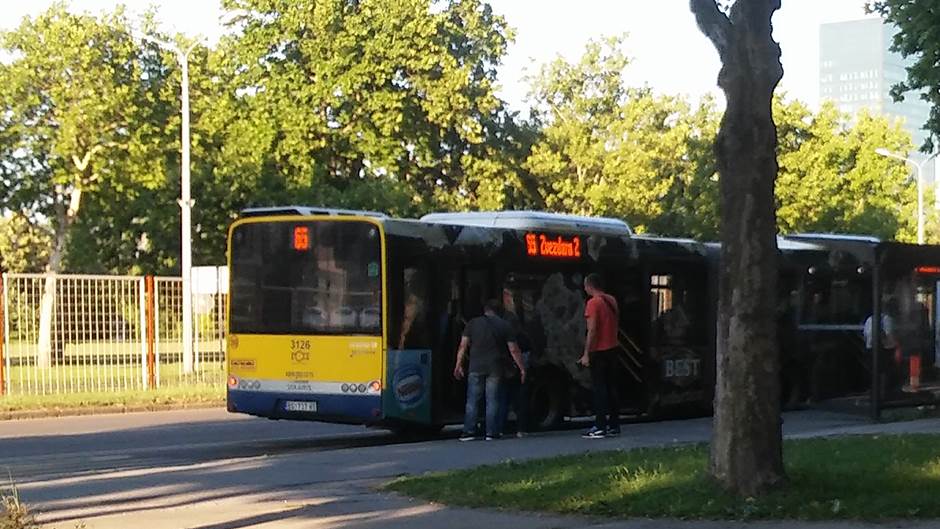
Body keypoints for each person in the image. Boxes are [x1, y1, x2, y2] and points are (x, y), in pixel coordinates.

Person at [454, 298, 526, 441]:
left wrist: (458, 364)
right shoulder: (505, 326)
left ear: (485, 310)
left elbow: (463, 345)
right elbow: (514, 349)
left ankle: (469, 432)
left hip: (475, 366)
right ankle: (491, 432)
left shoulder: (472, 323)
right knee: (492, 400)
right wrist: (521, 368)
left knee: (472, 400)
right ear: (499, 311)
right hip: (495, 367)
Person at [578, 273, 621, 439]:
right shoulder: (611, 300)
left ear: (590, 286)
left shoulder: (593, 303)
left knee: (599, 389)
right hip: (613, 348)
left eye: (585, 286)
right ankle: (614, 425)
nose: (584, 289)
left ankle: (600, 426)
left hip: (599, 350)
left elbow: (592, 329)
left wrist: (586, 353)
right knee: (611, 388)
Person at [497, 287, 532, 438]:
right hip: (516, 362)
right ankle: (520, 428)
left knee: (504, 396)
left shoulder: (505, 322)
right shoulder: (512, 320)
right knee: (518, 396)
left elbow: (514, 348)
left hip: (510, 363)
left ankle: (500, 427)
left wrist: (520, 367)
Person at [863, 299, 899, 398]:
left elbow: (865, 336)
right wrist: (897, 345)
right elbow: (890, 338)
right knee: (884, 372)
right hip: (883, 350)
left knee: (874, 373)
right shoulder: (887, 320)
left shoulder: (869, 319)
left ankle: (874, 393)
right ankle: (883, 394)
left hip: (870, 349)